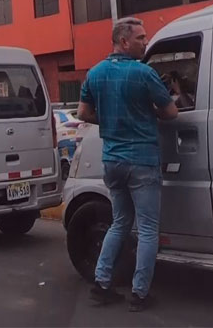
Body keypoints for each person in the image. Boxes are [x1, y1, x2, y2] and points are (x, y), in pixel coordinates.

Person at [77, 17, 178, 312]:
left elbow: (83, 113)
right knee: (147, 229)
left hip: (113, 161)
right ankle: (140, 293)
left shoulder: (94, 74)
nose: (145, 42)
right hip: (142, 161)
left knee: (120, 222)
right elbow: (171, 112)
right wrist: (150, 113)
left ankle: (102, 283)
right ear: (124, 41)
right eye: (140, 38)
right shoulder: (144, 73)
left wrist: (109, 120)